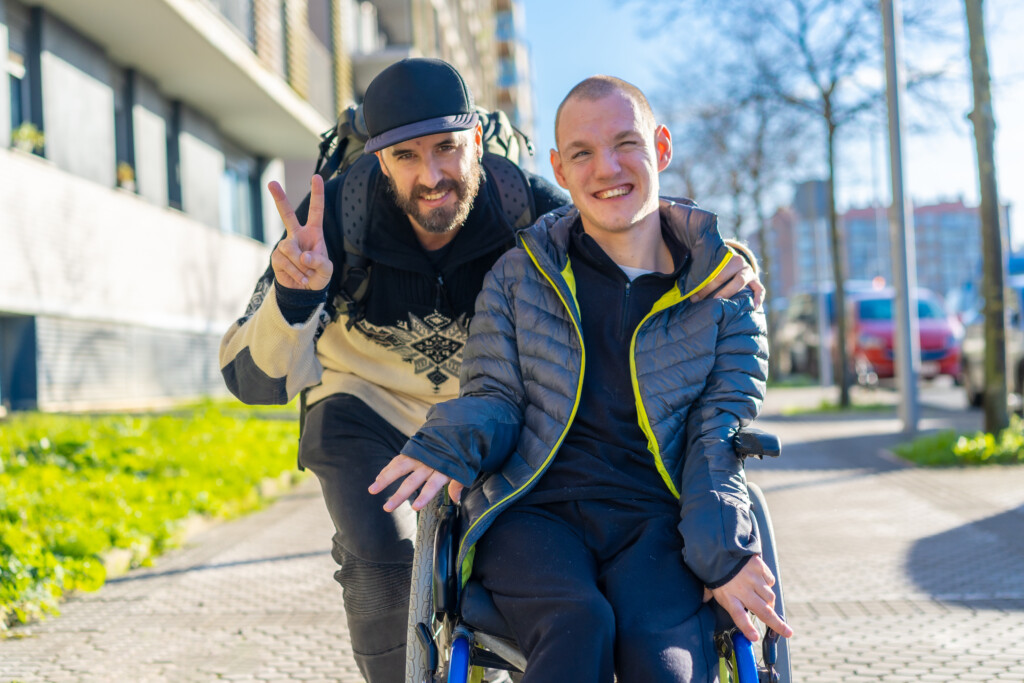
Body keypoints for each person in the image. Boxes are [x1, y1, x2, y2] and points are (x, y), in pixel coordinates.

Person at [221, 58, 762, 683]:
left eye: (448, 148)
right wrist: (297, 297)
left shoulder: (523, 205)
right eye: (406, 157)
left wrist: (720, 254)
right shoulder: (334, 220)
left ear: (477, 140)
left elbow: (618, 214)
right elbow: (252, 383)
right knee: (383, 561)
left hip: (489, 412)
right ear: (377, 160)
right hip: (365, 406)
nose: (432, 176)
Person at [371, 75, 792, 683]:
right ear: (559, 171)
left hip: (657, 523)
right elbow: (495, 396)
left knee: (667, 665)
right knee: (578, 625)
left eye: (626, 144)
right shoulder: (518, 277)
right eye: (583, 154)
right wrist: (449, 441)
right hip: (533, 514)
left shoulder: (725, 294)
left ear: (662, 148)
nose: (607, 168)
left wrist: (723, 554)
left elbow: (716, 435)